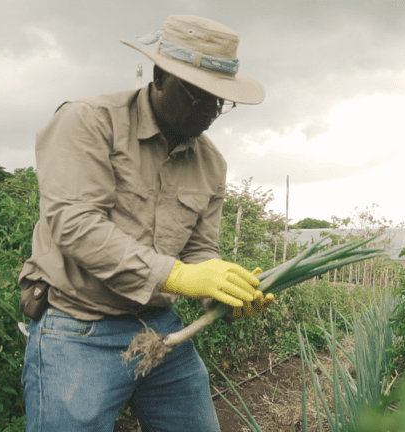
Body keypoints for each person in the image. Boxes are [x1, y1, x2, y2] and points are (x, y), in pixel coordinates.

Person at [18, 15, 272, 431]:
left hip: (158, 326)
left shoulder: (211, 162)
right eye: (199, 96)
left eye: (220, 102)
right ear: (159, 76)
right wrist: (178, 276)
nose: (210, 111)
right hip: (78, 324)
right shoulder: (89, 121)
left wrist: (220, 293)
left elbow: (199, 250)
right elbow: (75, 224)